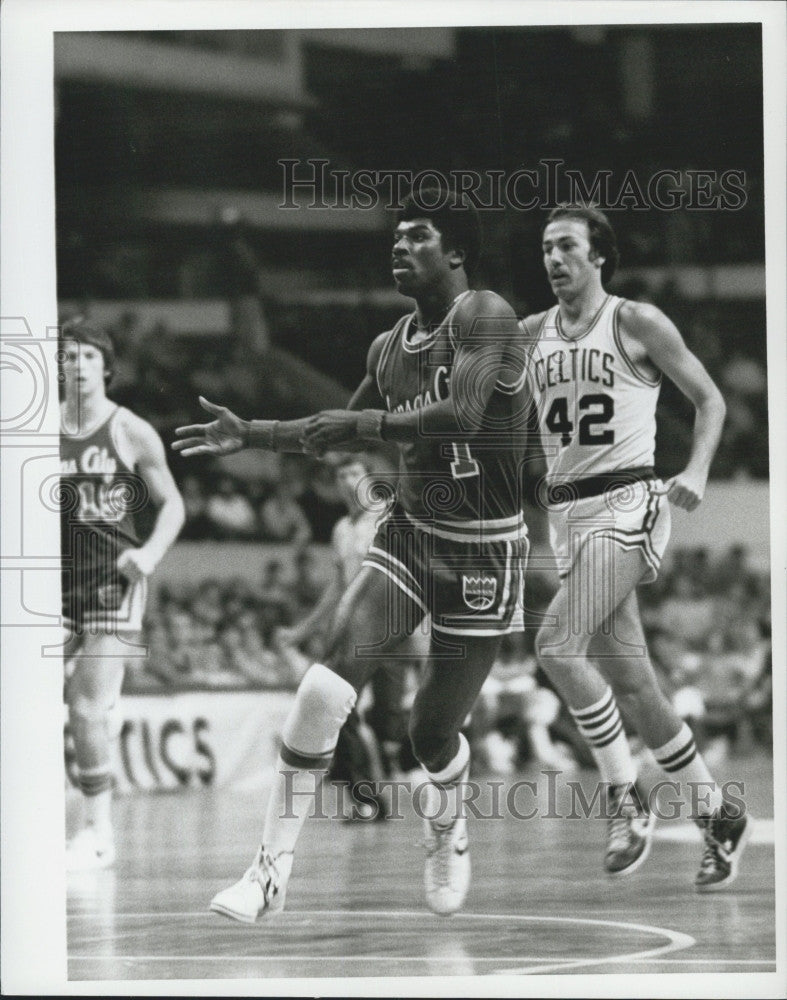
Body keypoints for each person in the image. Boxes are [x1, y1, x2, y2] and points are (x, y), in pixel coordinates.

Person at [174, 189, 530, 920]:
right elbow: (336, 430)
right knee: (321, 688)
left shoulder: (487, 315)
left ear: (455, 251)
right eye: (395, 237)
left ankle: (447, 823)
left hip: (485, 553)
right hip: (409, 532)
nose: (399, 247)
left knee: (430, 736)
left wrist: (364, 418)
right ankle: (268, 871)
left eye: (418, 236)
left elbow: (460, 412)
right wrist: (255, 433)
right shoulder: (387, 346)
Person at [521, 204, 751, 891]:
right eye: (544, 248)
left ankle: (624, 795)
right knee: (634, 686)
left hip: (629, 502)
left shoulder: (635, 321)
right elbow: (530, 447)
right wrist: (535, 537)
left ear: (598, 256)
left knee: (555, 646)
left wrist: (697, 470)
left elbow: (709, 400)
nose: (553, 258)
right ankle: (716, 811)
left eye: (565, 246)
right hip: (570, 516)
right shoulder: (531, 334)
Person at [60, 318, 185, 869]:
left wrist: (151, 554)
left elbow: (173, 504)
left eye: (89, 356)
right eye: (69, 355)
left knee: (85, 707)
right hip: (51, 587)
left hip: (114, 583)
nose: (79, 364)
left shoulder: (130, 429)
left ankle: (97, 832)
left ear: (105, 368)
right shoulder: (39, 431)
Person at [275, 452, 409, 819]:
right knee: (335, 707)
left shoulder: (390, 516)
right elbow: (337, 588)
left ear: (370, 478)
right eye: (340, 476)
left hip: (395, 628)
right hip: (355, 633)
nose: (347, 482)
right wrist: (304, 630)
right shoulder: (341, 530)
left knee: (389, 722)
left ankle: (408, 769)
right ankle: (366, 799)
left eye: (354, 473)